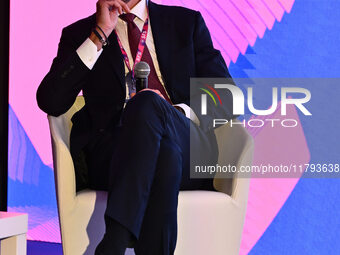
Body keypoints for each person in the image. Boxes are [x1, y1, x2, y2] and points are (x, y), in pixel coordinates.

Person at [37, 0, 235, 254]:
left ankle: (115, 240)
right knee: (165, 155)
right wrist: (99, 35)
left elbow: (227, 95)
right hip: (115, 153)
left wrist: (177, 113)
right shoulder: (82, 33)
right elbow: (51, 101)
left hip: (188, 146)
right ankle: (116, 241)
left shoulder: (186, 23)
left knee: (149, 105)